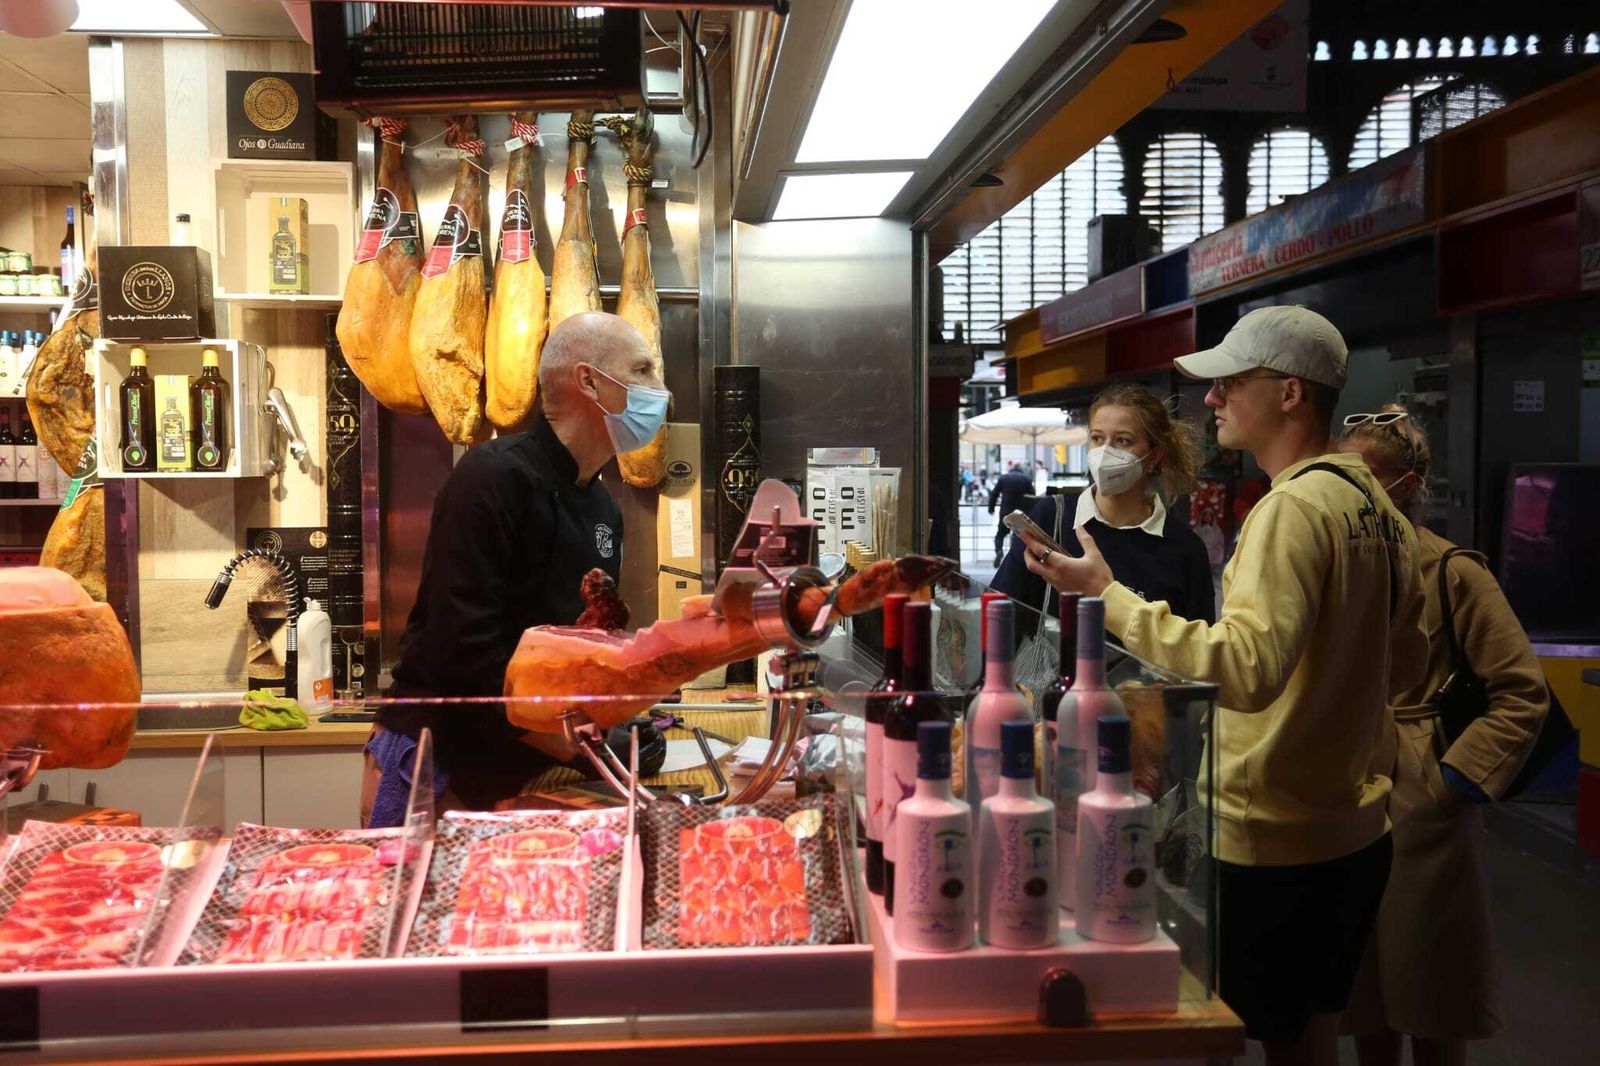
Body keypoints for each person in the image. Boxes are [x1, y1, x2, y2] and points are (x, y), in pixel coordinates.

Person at [1017, 306, 1429, 1066]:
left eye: (1229, 384)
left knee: (1228, 1032)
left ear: (1291, 394)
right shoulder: (1377, 506)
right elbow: (1407, 663)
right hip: (1355, 827)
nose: (1211, 400)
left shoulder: (1293, 509)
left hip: (1269, 832)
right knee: (1309, 1030)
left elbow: (1243, 670)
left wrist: (1108, 594)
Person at [362, 312, 668, 826]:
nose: (659, 390)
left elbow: (578, 647)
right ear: (589, 381)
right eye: (642, 371)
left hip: (521, 772)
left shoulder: (602, 506)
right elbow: (458, 654)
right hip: (440, 769)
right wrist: (567, 742)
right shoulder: (491, 478)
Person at [1338, 406, 1549, 1066]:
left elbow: (1522, 689)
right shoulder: (1338, 563)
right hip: (1344, 793)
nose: (1348, 495)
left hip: (1422, 795)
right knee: (1363, 985)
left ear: (1405, 484)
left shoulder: (1454, 571)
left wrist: (1454, 778)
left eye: (1364, 478)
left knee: (1433, 986)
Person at [992, 383, 1214, 627]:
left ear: (1154, 456)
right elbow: (999, 613)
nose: (1105, 451)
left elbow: (1196, 649)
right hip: (1055, 666)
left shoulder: (1184, 549)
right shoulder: (1052, 518)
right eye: (1097, 438)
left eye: (1123, 441)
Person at [986, 461, 1034, 567]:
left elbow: (994, 494)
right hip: (1020, 513)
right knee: (1018, 536)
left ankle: (999, 551)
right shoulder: (1026, 479)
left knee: (1000, 535)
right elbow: (1032, 496)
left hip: (1005, 512)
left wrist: (991, 508)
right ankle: (1013, 558)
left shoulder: (1004, 478)